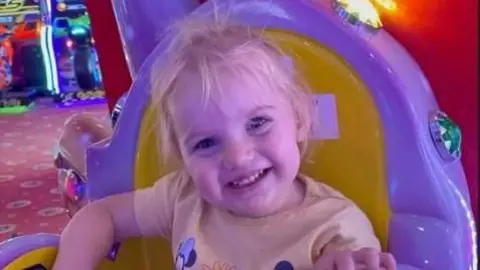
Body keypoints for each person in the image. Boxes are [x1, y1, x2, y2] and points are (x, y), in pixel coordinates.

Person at [52, 12, 396, 270]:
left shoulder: (336, 230)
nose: (238, 156)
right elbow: (101, 217)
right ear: (183, 155)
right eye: (205, 144)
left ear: (300, 121)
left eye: (258, 123)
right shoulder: (182, 196)